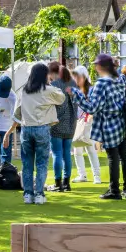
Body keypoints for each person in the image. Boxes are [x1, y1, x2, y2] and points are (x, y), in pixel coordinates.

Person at [73, 54, 126, 200]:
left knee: (113, 157)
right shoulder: (120, 79)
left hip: (108, 123)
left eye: (97, 65)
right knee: (124, 156)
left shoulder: (102, 83)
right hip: (122, 122)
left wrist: (76, 93)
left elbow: (92, 108)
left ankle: (114, 190)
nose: (95, 67)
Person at [10, 62, 66, 206]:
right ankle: (39, 194)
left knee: (27, 163)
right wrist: (51, 84)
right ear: (44, 75)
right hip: (42, 128)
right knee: (41, 163)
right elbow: (62, 98)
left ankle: (28, 194)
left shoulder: (24, 90)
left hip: (26, 129)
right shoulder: (48, 90)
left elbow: (17, 110)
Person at [47, 62, 77, 194]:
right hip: (71, 122)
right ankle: (67, 182)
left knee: (57, 153)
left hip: (57, 122)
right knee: (67, 153)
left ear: (52, 73)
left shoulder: (53, 85)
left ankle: (57, 182)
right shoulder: (73, 83)